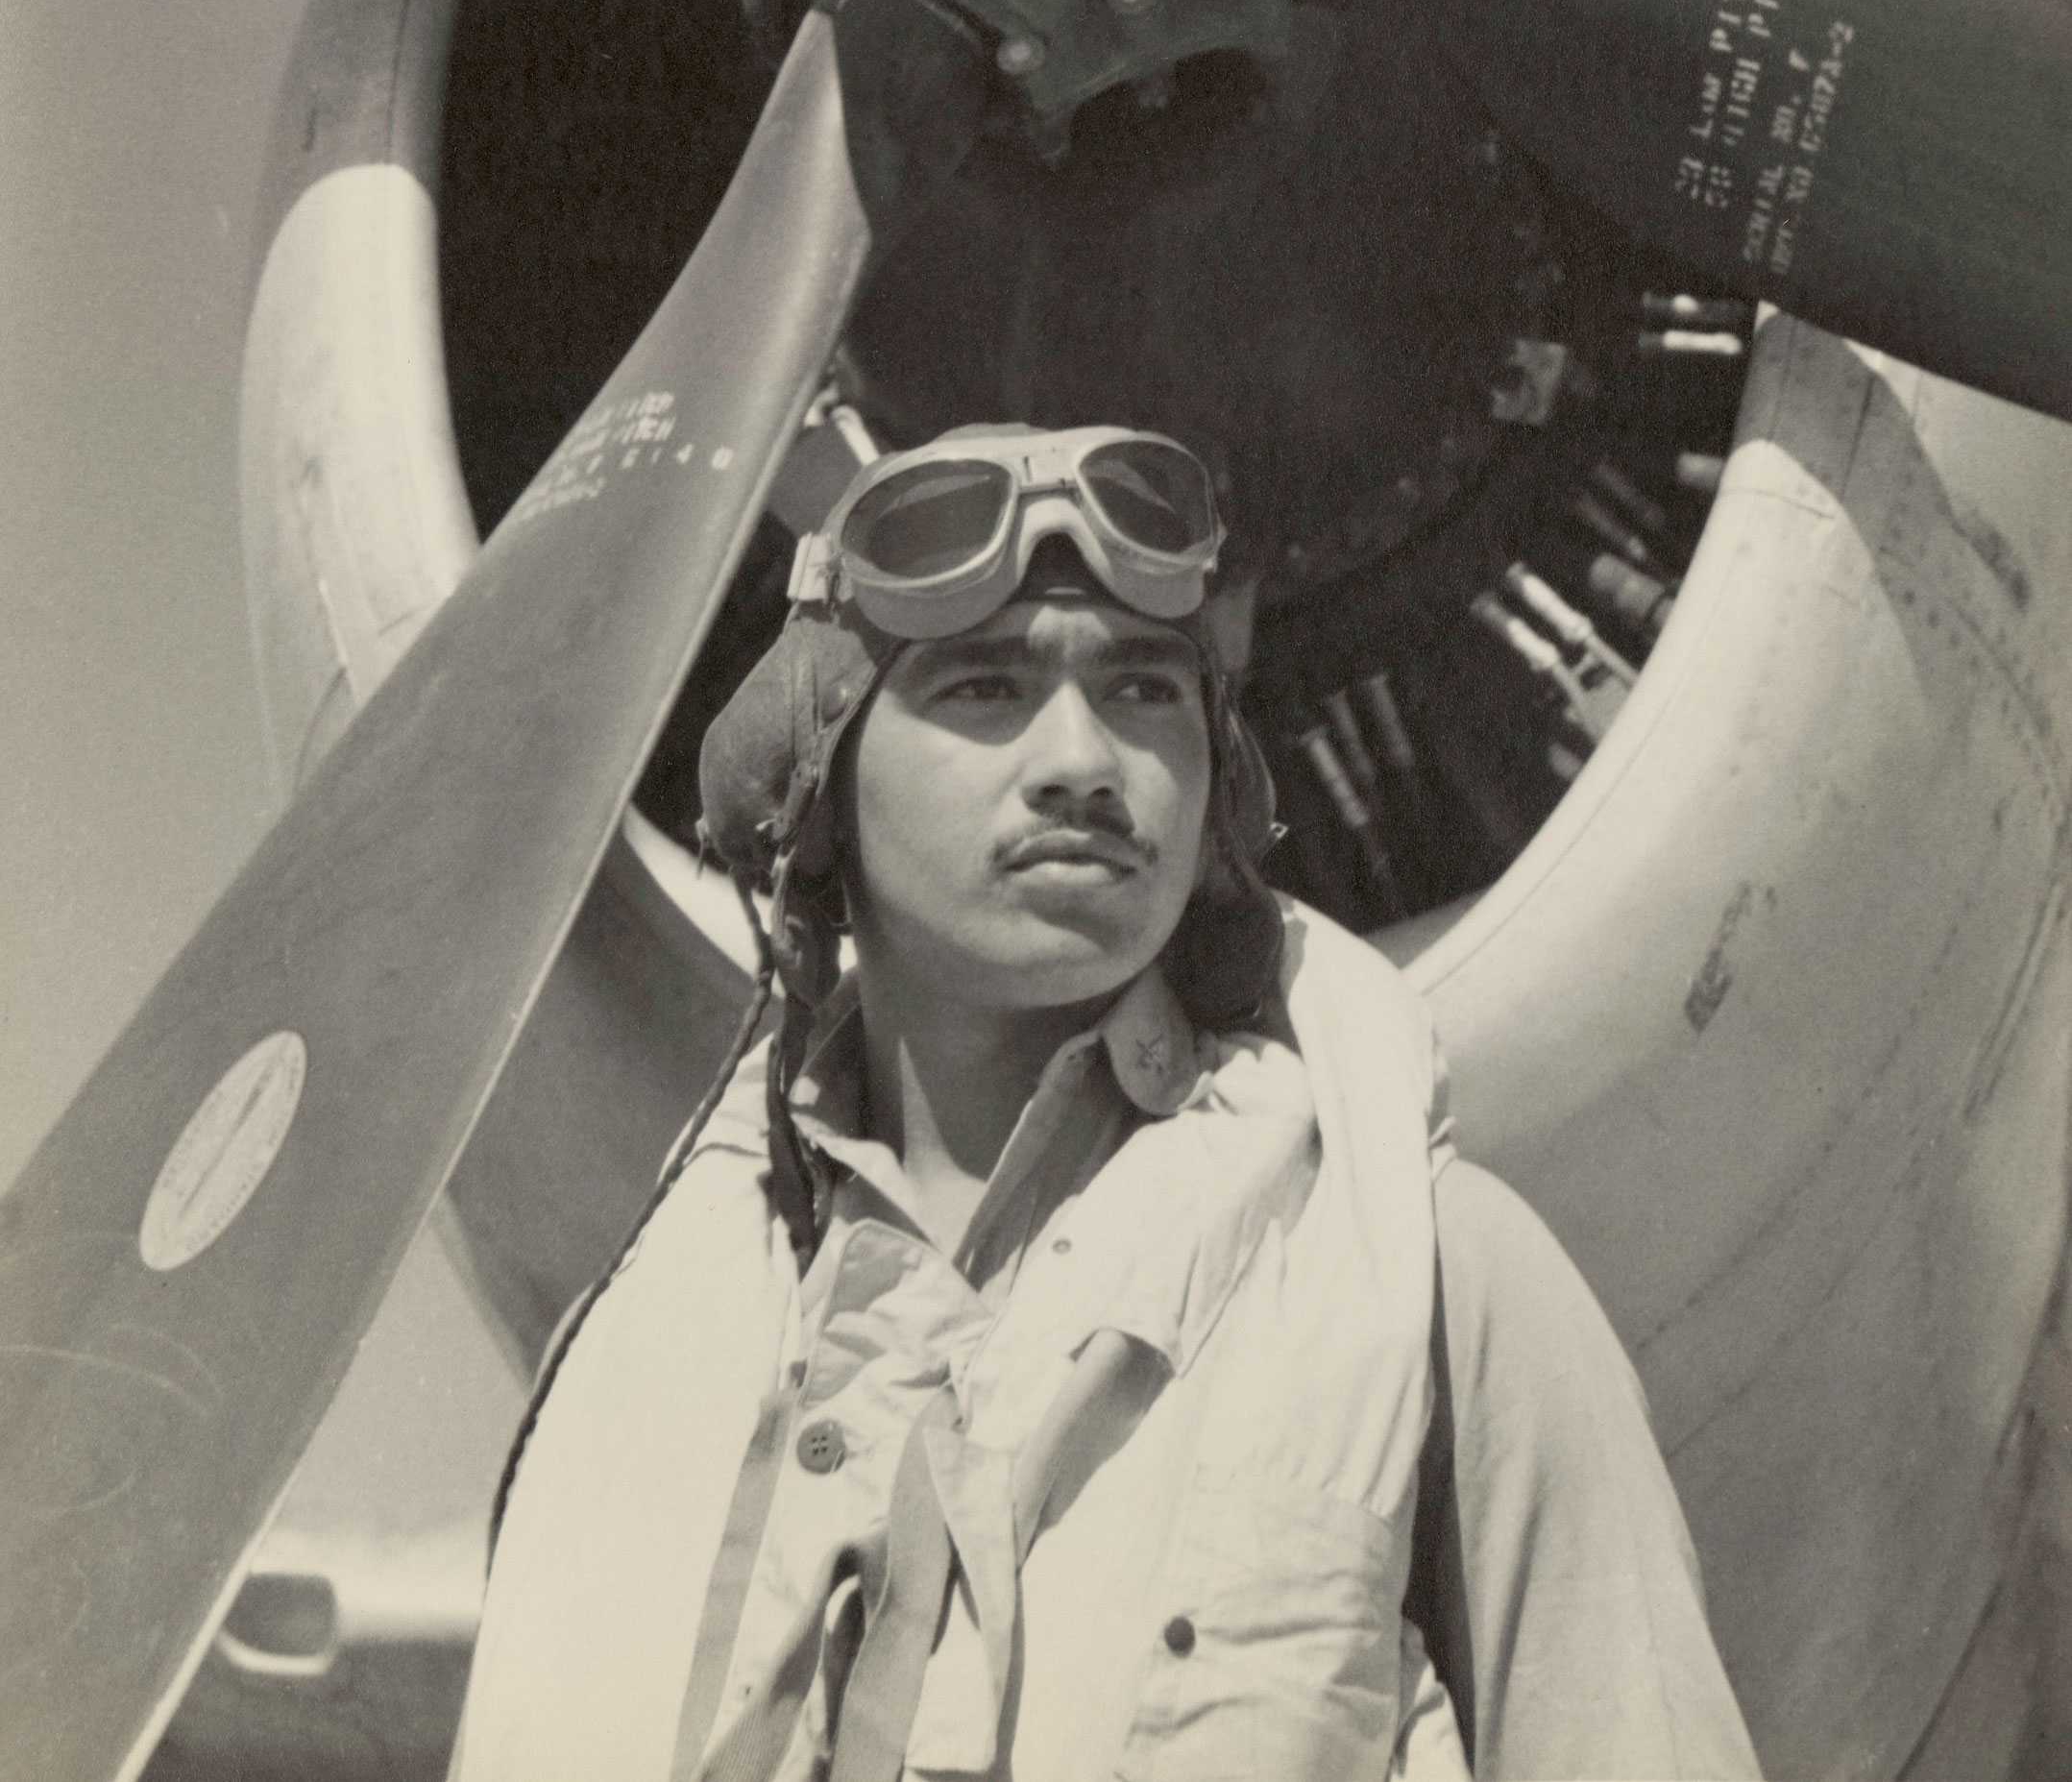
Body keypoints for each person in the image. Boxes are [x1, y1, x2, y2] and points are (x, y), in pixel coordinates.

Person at [452, 423, 1761, 1780]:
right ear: (815, 784)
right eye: (980, 689)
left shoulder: (1439, 1287)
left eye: (1144, 690)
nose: (1081, 758)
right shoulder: (631, 1354)